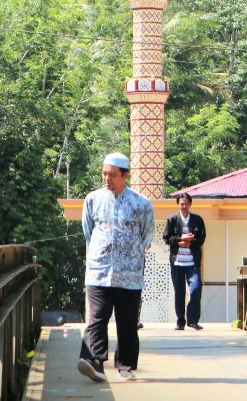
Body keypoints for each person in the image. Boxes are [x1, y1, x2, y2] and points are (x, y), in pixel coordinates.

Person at [77, 152, 154, 383]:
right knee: (97, 318)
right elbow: (87, 231)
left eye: (112, 175)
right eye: (104, 174)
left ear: (125, 176)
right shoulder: (93, 199)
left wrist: (128, 254)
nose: (107, 178)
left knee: (127, 322)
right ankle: (94, 363)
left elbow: (147, 235)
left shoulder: (141, 204)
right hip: (99, 272)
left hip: (129, 275)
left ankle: (125, 366)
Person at [162, 192, 207, 330]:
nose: (184, 206)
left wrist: (190, 243)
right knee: (179, 292)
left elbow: (202, 238)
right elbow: (166, 238)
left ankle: (193, 320)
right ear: (178, 204)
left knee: (196, 288)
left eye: (186, 204)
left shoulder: (197, 219)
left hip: (192, 262)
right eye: (181, 204)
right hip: (177, 262)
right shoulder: (172, 220)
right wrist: (180, 240)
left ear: (190, 204)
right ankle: (180, 321)